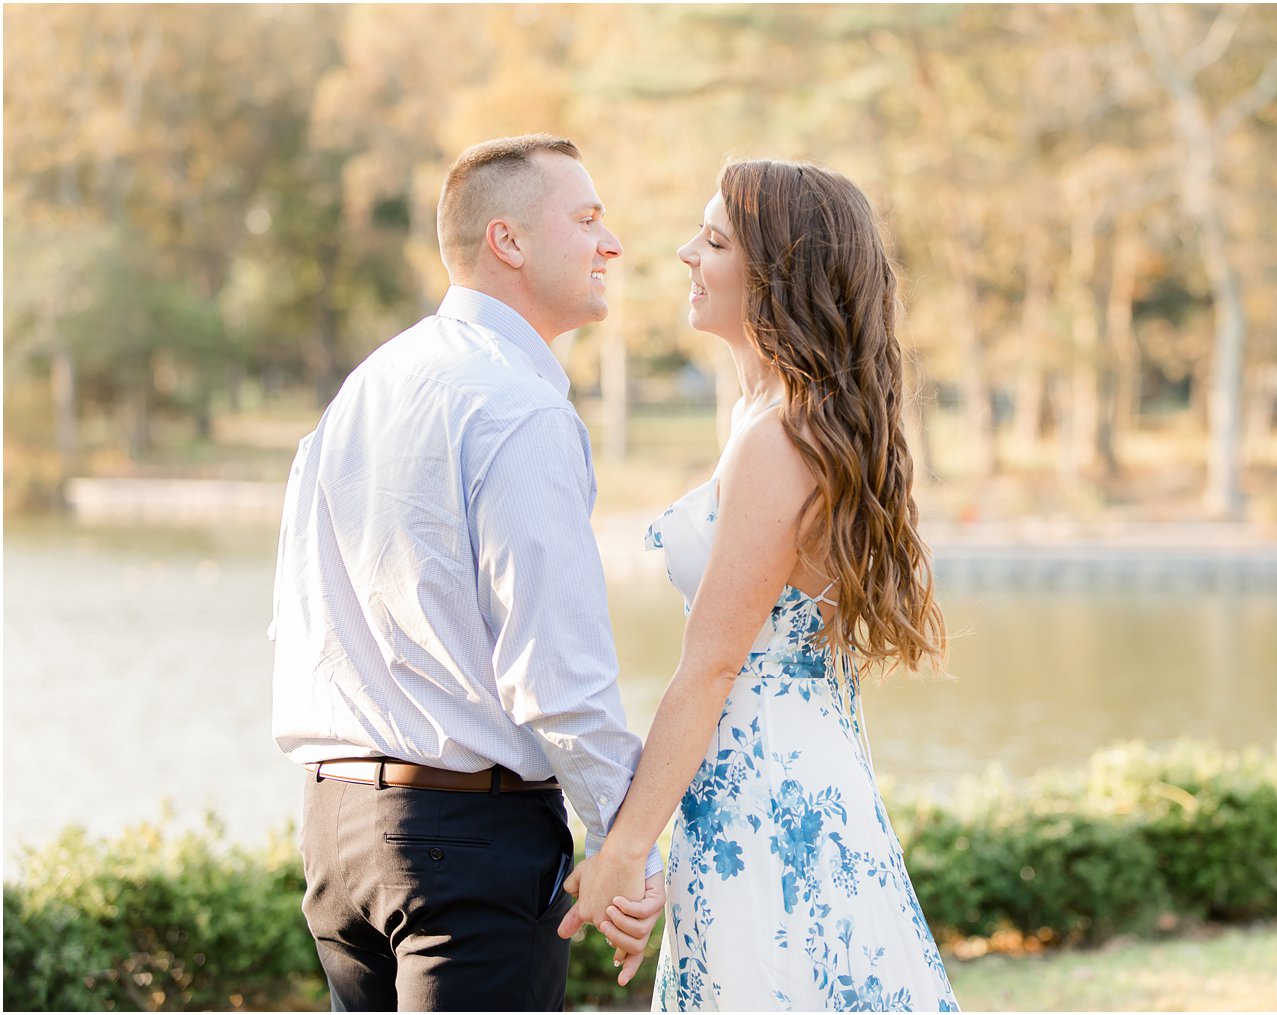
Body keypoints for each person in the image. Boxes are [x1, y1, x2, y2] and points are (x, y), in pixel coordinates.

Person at [270, 133, 663, 1012]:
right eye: (589, 218)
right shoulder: (518, 409)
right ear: (508, 241)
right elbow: (556, 672)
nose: (614, 244)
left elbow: (300, 614)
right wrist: (623, 845)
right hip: (468, 838)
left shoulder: (365, 386)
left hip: (338, 832)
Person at [556, 160, 960, 1011]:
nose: (682, 254)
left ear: (779, 274)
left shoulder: (780, 437)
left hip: (769, 796)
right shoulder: (773, 418)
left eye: (712, 240)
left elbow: (709, 668)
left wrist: (625, 850)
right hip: (777, 771)